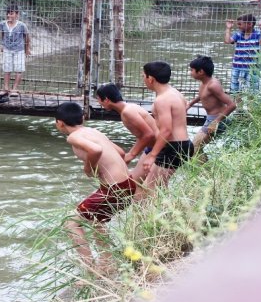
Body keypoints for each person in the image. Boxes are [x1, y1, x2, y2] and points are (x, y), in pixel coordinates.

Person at [55, 102, 136, 275]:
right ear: (82, 118)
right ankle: (107, 265)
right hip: (128, 183)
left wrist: (89, 168)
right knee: (97, 222)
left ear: (60, 123)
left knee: (71, 222)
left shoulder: (73, 136)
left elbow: (95, 150)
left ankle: (89, 270)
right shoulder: (94, 132)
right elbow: (121, 152)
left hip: (115, 188)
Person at [141, 61, 194, 193]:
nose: (143, 79)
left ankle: (167, 213)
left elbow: (166, 130)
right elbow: (183, 108)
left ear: (151, 79)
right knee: (159, 188)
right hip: (182, 144)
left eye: (144, 76)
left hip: (174, 147)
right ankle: (169, 212)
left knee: (150, 189)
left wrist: (152, 155)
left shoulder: (162, 100)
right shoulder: (175, 92)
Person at [96, 83, 158, 188]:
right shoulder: (128, 108)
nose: (98, 102)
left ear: (106, 99)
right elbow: (144, 135)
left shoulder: (127, 111)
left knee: (135, 184)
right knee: (133, 182)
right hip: (151, 147)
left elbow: (149, 134)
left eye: (98, 99)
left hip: (159, 148)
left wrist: (131, 155)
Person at [186, 56, 237, 156]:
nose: (190, 72)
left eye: (192, 70)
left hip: (217, 119)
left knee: (195, 147)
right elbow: (202, 95)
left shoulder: (213, 85)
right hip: (211, 119)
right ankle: (204, 170)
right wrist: (190, 104)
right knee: (196, 148)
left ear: (201, 72)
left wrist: (216, 122)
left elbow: (232, 105)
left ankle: (204, 170)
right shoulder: (204, 82)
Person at [223, 14, 261, 93]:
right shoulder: (238, 34)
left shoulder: (257, 34)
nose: (238, 26)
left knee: (252, 92)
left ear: (250, 24)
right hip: (237, 67)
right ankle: (237, 105)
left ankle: (251, 105)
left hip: (252, 69)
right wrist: (228, 28)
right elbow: (227, 41)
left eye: (240, 24)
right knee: (235, 91)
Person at [0, 4, 30, 97]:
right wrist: (2, 44)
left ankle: (15, 89)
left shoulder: (21, 25)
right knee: (6, 69)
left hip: (19, 50)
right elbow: (2, 34)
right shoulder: (3, 23)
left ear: (17, 14)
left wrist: (27, 49)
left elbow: (27, 37)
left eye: (11, 13)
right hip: (7, 49)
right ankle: (6, 88)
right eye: (8, 13)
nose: (9, 16)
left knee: (18, 69)